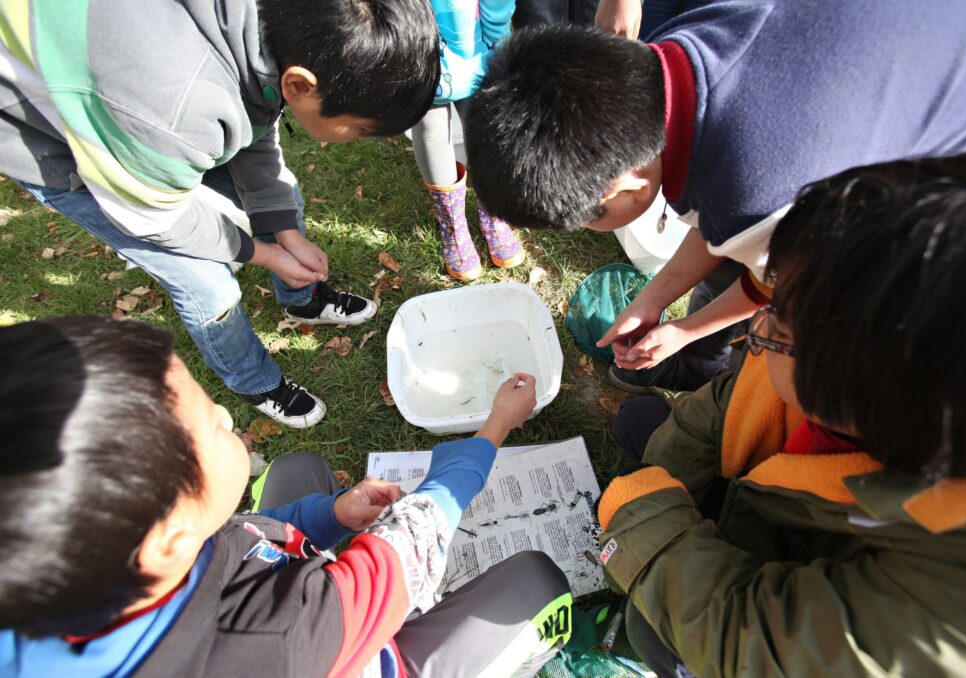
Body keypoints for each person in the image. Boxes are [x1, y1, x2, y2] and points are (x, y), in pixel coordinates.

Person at [597, 152, 966, 676]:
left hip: (780, 592)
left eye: (777, 329)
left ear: (861, 397)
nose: (756, 327)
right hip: (768, 502)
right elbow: (724, 405)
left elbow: (753, 640)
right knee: (647, 433)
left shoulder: (965, 598)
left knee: (652, 632)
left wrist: (642, 525)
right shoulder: (846, 346)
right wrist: (660, 485)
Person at [463, 1, 966, 394]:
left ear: (623, 188)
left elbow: (773, 277)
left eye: (583, 221)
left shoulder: (759, 197)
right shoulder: (682, 45)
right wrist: (653, 300)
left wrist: (686, 331)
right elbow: (722, 225)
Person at [0, 316, 572, 677]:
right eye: (212, 427)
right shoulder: (270, 636)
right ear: (168, 541)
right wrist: (493, 429)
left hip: (303, 605)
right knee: (539, 585)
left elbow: (243, 533)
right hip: (349, 647)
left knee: (299, 470)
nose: (226, 414)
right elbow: (410, 544)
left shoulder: (91, 574)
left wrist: (332, 515)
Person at [0, 0, 440, 428]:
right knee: (206, 283)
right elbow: (157, 218)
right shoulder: (175, 110)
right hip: (61, 140)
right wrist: (264, 255)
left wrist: (285, 231)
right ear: (300, 85)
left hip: (146, 108)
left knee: (278, 202)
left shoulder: (270, 30)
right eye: (361, 129)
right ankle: (254, 380)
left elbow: (256, 120)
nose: (360, 140)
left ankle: (302, 302)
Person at [412, 0, 524, 281]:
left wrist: (496, 38)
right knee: (431, 125)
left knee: (484, 122)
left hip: (475, 37)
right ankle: (452, 224)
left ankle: (492, 209)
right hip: (417, 37)